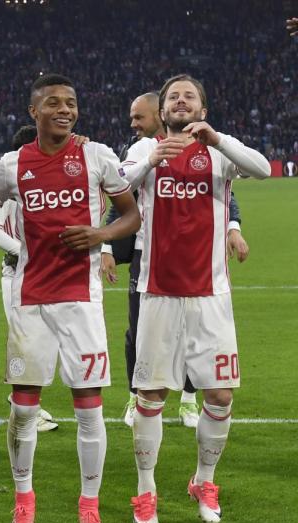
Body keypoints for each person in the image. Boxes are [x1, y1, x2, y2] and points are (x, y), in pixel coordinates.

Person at [0, 73, 140, 523]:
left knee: (90, 409)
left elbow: (132, 214)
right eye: (52, 103)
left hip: (81, 302)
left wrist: (102, 236)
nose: (64, 109)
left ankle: (88, 505)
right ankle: (24, 498)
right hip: (30, 300)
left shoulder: (97, 156)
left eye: (70, 102)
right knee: (24, 409)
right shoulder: (12, 166)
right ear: (34, 112)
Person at [121, 74, 270, 523]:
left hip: (211, 296)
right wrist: (151, 161)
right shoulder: (143, 151)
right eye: (173, 97)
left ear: (201, 110)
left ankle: (204, 480)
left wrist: (219, 139)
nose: (180, 102)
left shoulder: (219, 153)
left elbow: (262, 168)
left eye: (190, 97)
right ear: (162, 110)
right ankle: (145, 490)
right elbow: (115, 186)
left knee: (220, 394)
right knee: (151, 395)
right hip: (159, 295)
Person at [101, 92, 247, 429]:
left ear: (159, 114)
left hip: (195, 259)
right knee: (138, 328)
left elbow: (225, 191)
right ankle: (138, 392)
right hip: (147, 254)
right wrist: (108, 247)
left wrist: (233, 227)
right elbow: (123, 196)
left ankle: (188, 398)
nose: (133, 123)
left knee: (197, 335)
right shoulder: (141, 151)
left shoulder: (204, 144)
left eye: (139, 117)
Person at [0, 125, 60, 434]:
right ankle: (27, 409)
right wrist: (26, 251)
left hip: (53, 277)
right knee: (26, 345)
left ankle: (29, 405)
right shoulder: (12, 183)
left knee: (46, 346)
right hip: (17, 275)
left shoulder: (48, 185)